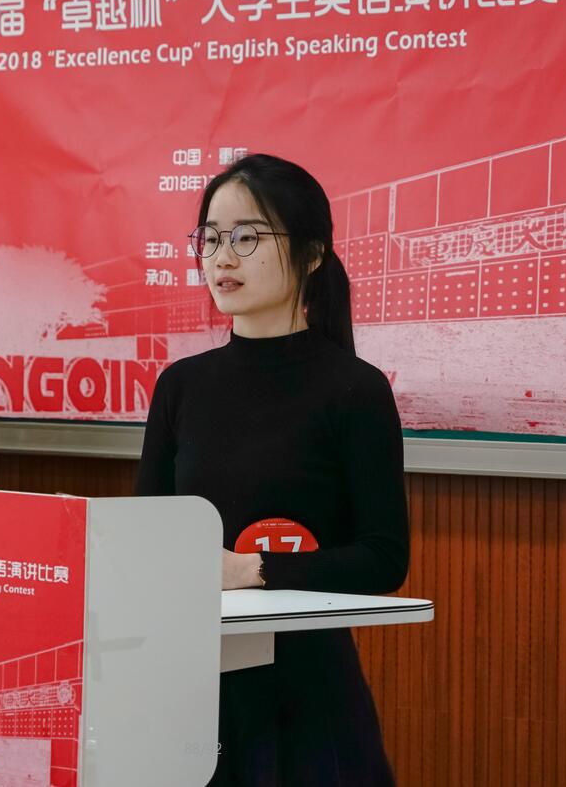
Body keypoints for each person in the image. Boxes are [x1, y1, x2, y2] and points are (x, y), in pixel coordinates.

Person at [135, 154, 409, 785]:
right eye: (210, 239)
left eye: (247, 237)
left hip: (307, 688)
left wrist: (251, 570)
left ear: (312, 254)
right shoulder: (180, 386)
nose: (222, 258)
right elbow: (148, 541)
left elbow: (384, 557)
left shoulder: (355, 390)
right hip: (192, 680)